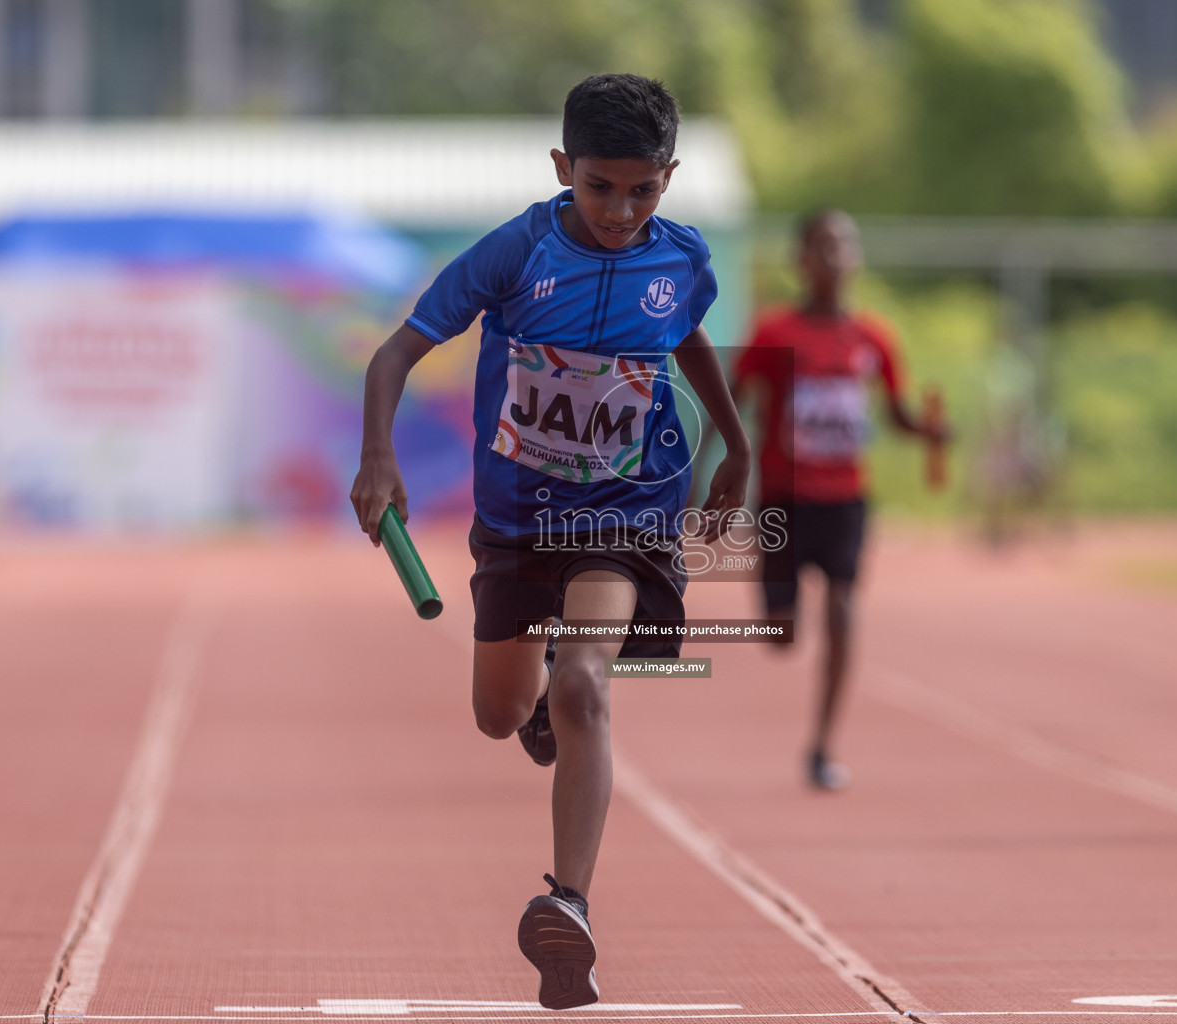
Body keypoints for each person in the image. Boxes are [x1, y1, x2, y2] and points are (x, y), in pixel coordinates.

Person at [349, 73, 750, 1008]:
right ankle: (537, 716)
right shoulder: (518, 251)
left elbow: (685, 333)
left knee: (584, 685)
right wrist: (379, 458)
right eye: (601, 186)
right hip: (521, 520)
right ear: (564, 167)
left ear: (669, 177)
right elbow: (394, 352)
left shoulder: (682, 259)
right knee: (500, 714)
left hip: (627, 514)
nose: (620, 210)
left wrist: (734, 440)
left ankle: (568, 906)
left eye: (643, 190)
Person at [730, 208, 946, 791]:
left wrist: (929, 433)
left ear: (857, 258)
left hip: (846, 497)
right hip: (782, 498)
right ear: (800, 261)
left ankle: (823, 745)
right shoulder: (774, 334)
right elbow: (731, 402)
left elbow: (897, 415)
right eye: (822, 247)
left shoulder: (875, 337)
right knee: (780, 635)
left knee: (845, 609)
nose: (835, 257)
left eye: (844, 246)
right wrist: (712, 476)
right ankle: (778, 606)